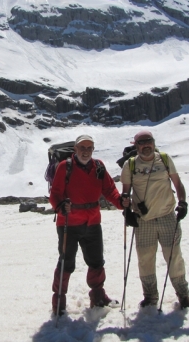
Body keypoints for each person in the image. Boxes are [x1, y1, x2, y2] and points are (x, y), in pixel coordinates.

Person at [49, 134, 130, 315]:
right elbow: (55, 194)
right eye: (82, 148)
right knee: (66, 263)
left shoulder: (98, 167)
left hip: (92, 221)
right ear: (75, 150)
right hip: (68, 222)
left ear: (92, 150)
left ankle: (98, 297)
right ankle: (59, 303)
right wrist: (61, 206)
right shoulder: (65, 167)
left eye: (89, 148)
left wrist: (120, 202)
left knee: (96, 261)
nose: (85, 152)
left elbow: (109, 190)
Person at [120, 130, 189, 310]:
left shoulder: (165, 160)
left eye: (149, 141)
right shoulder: (130, 165)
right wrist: (127, 209)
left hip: (167, 216)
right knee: (145, 259)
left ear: (153, 142)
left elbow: (178, 184)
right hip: (143, 219)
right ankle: (150, 296)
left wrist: (182, 202)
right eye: (141, 142)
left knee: (174, 257)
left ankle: (183, 295)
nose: (146, 145)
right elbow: (125, 192)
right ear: (136, 145)